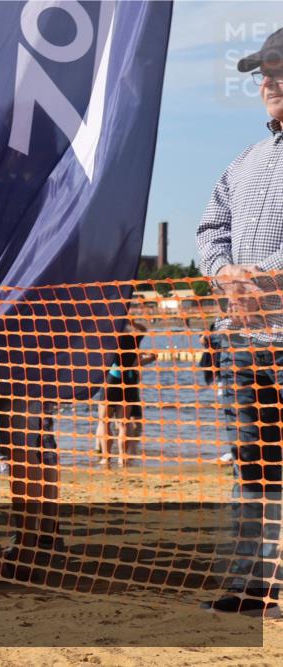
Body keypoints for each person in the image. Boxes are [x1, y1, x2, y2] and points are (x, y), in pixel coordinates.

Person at [195, 27, 282, 616]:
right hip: (246, 341)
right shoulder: (244, 161)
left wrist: (264, 278)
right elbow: (210, 229)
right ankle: (254, 581)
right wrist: (225, 273)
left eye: (278, 69)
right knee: (251, 461)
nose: (268, 81)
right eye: (263, 72)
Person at [94, 321, 157, 466]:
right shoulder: (134, 339)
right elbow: (143, 329)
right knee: (123, 424)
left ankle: (106, 458)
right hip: (128, 381)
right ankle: (122, 458)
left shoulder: (111, 339)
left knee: (105, 422)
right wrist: (131, 321)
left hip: (112, 379)